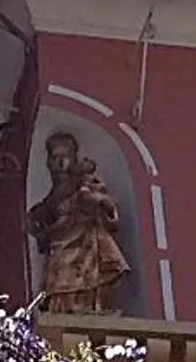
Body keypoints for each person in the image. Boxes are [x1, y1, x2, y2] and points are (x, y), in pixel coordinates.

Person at [26, 131, 132, 315]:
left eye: (65, 157)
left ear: (74, 158)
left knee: (89, 280)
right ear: (48, 162)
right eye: (55, 157)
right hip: (60, 249)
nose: (61, 163)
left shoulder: (85, 183)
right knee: (60, 287)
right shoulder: (53, 197)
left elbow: (106, 208)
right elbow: (41, 216)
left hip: (86, 243)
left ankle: (91, 308)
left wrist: (96, 202)